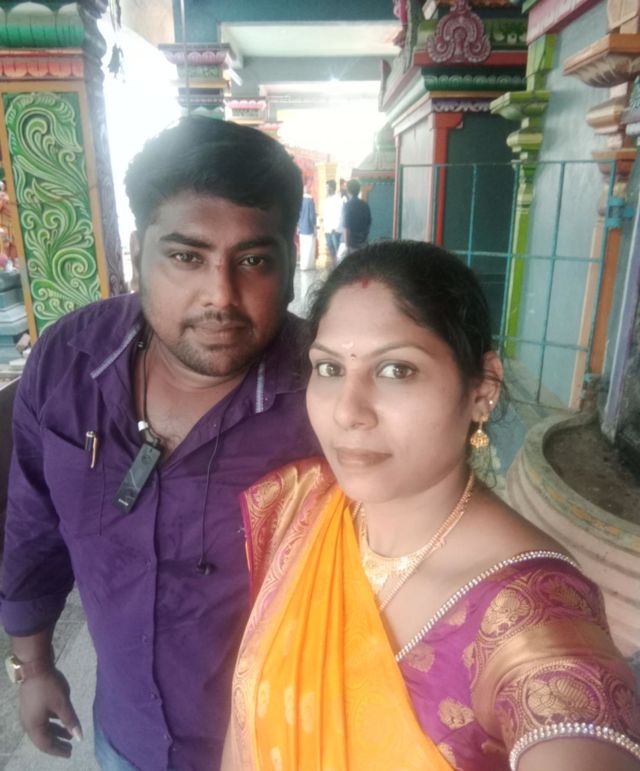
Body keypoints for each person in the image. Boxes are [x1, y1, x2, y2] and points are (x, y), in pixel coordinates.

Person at [223, 241, 640, 770]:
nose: (348, 412)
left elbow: (571, 711)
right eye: (329, 368)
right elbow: (245, 720)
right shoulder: (305, 508)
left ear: (482, 390)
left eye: (397, 370)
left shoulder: (532, 613)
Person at [1, 116, 320, 771]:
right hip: (125, 737)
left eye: (253, 260)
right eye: (186, 256)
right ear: (136, 250)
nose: (221, 296)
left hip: (282, 748)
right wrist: (32, 665)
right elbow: (33, 526)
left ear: (291, 258)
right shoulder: (68, 361)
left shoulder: (331, 395)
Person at [342, 177, 371, 255]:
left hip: (352, 245)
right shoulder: (365, 205)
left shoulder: (347, 206)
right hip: (364, 243)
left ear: (348, 190)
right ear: (359, 190)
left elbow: (346, 227)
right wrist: (364, 239)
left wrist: (347, 246)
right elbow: (368, 224)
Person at [297, 178, 317, 271]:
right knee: (309, 248)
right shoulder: (310, 201)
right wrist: (315, 227)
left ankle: (303, 265)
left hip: (301, 228)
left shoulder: (299, 201)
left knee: (303, 247)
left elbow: (297, 215)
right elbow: (312, 216)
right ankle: (309, 265)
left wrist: (298, 226)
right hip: (309, 228)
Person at [323, 179, 343, 267]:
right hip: (327, 229)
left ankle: (339, 268)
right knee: (331, 250)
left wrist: (335, 228)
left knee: (337, 251)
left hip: (335, 230)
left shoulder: (338, 200)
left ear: (331, 188)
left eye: (327, 187)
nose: (326, 189)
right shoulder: (327, 200)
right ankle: (334, 267)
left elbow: (340, 215)